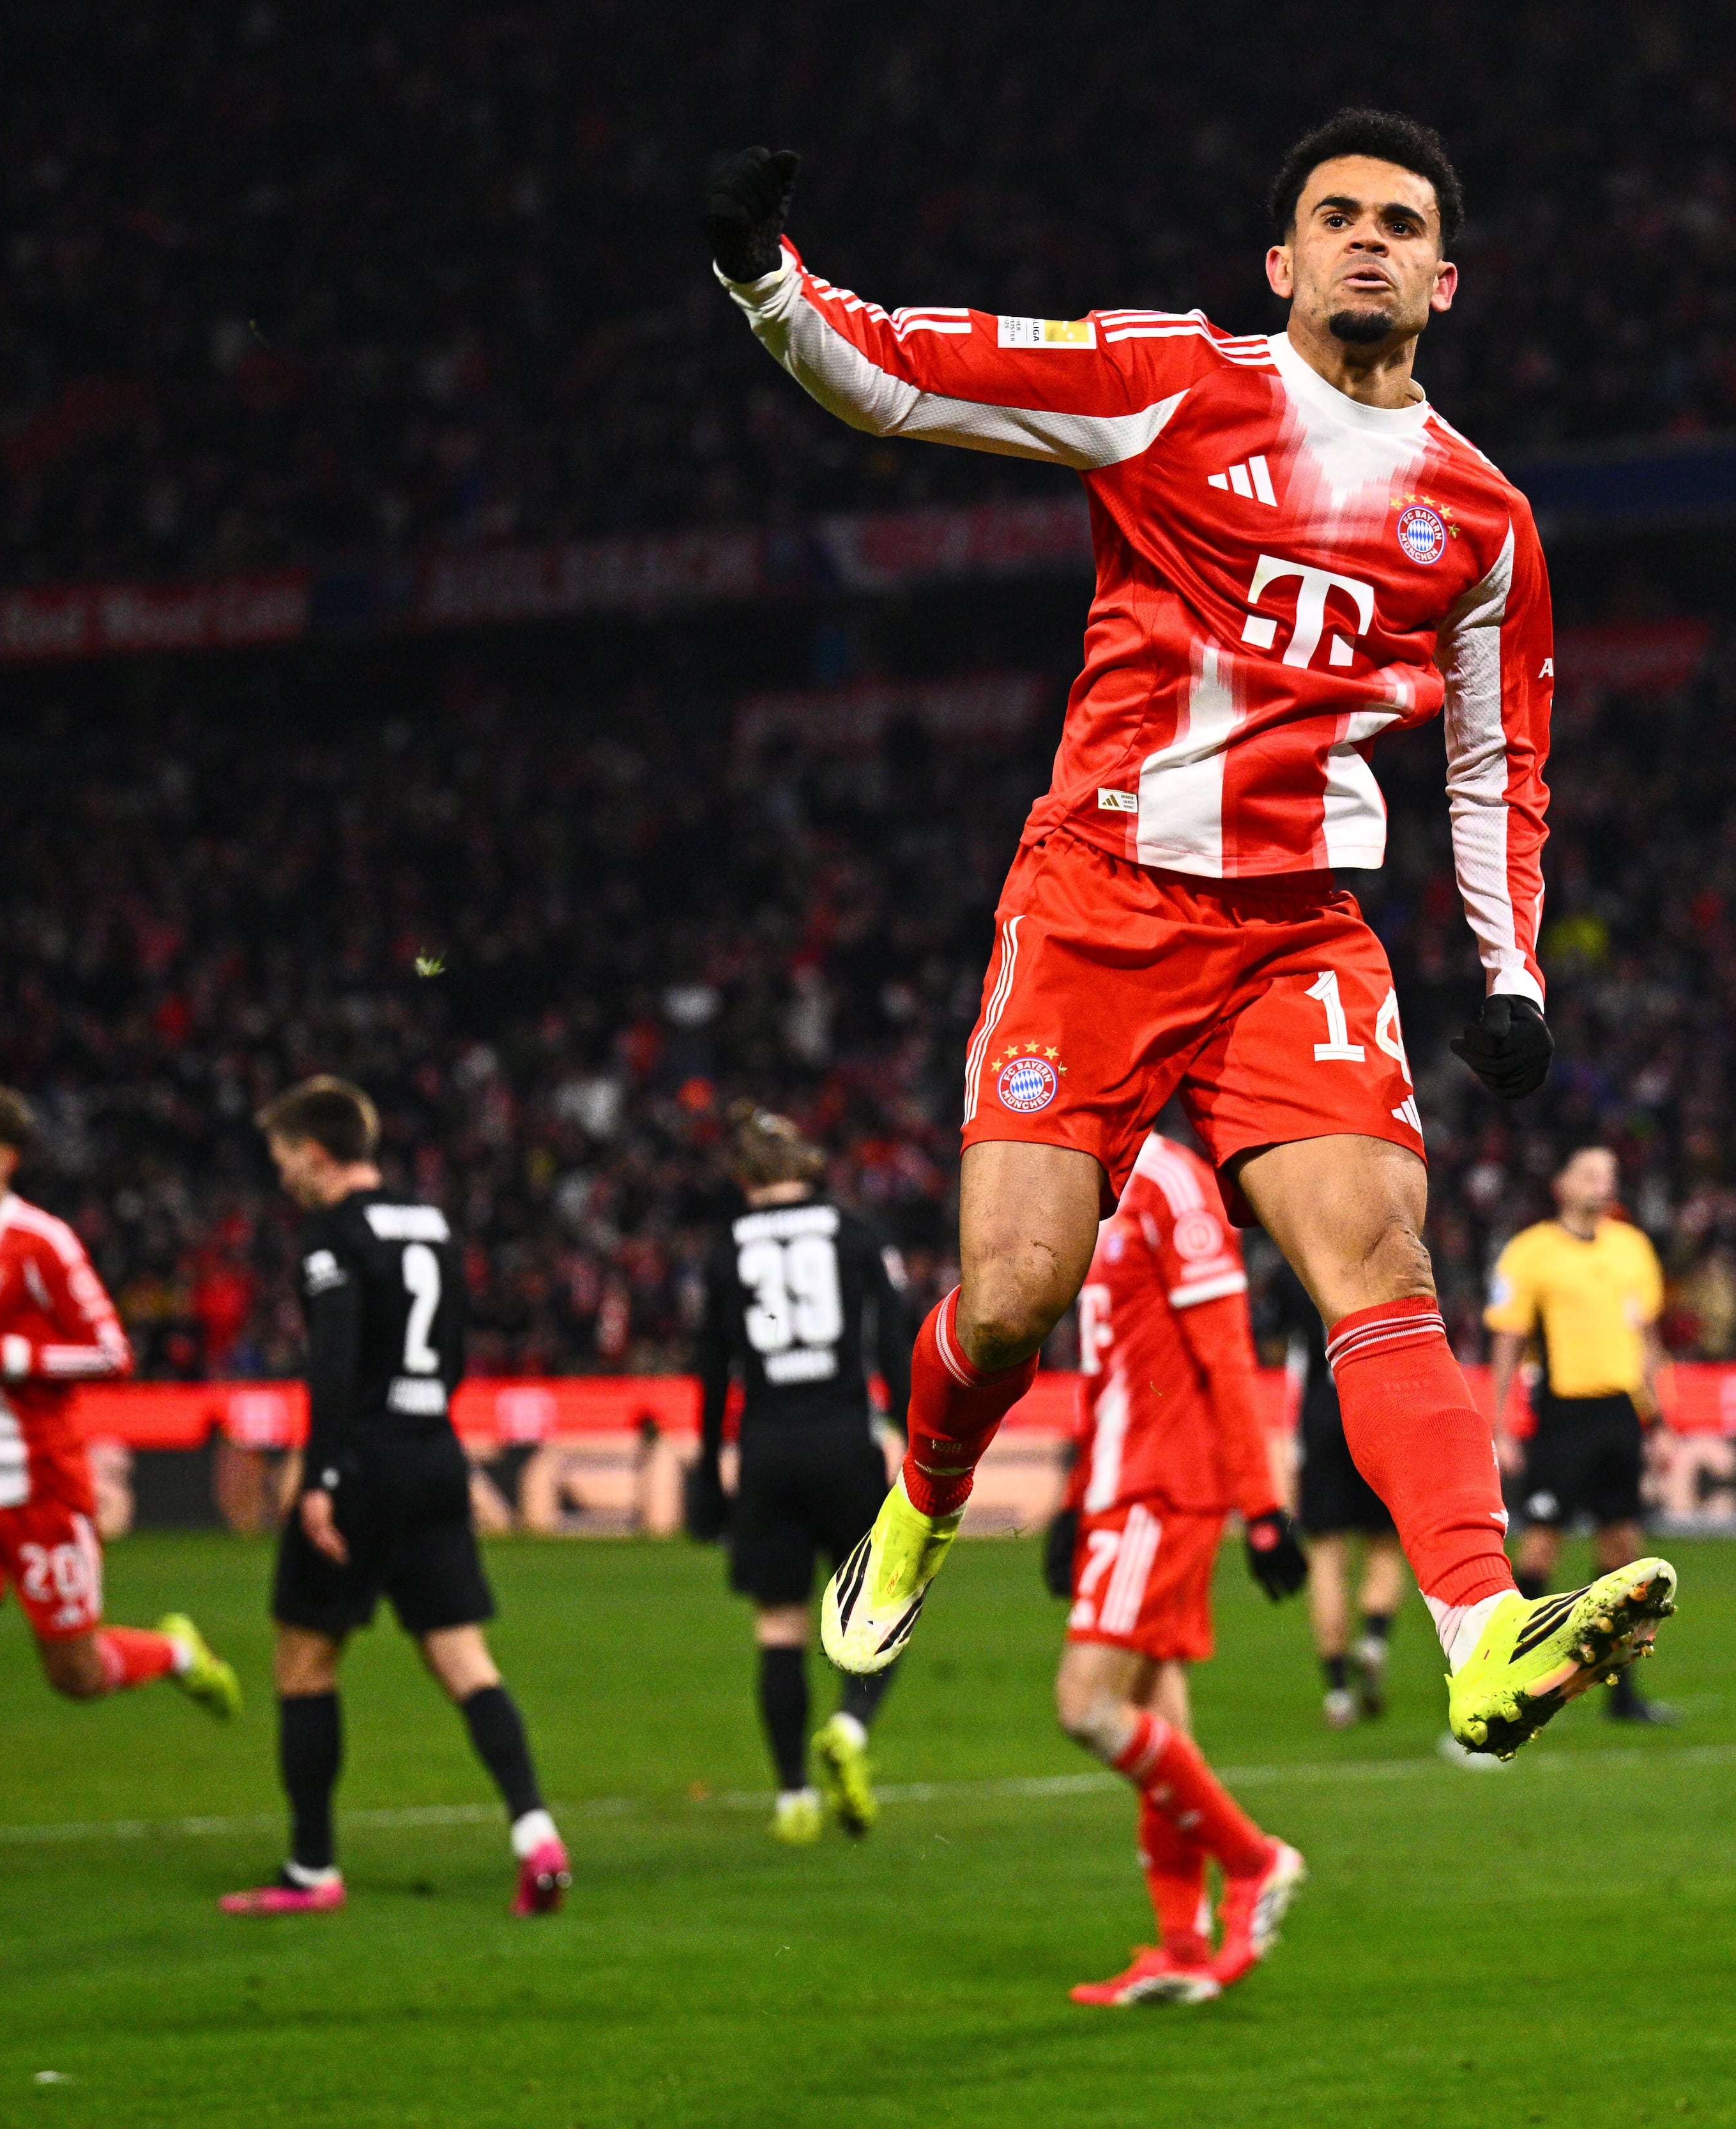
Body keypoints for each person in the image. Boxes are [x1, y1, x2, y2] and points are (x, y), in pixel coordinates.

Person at [706, 107, 1674, 1759]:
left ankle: (1485, 1626)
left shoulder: (1487, 517)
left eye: (1399, 222)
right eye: (1336, 215)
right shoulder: (1171, 381)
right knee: (1013, 1296)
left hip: (1298, 931)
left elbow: (1499, 761)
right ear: (1282, 262)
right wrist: (762, 280)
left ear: (1446, 280)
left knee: (1379, 1261)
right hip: (1096, 899)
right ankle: (924, 1499)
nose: (1367, 238)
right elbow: (900, 374)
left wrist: (1509, 969)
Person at [0, 1080, 241, 1909]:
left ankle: (177, 1652)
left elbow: (112, 1351)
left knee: (73, 1673)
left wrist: (11, 1356)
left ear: (6, 1159)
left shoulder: (43, 1243)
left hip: (40, 1484)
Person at [222, 1076, 570, 1918]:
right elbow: (450, 1355)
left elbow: (333, 1367)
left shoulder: (329, 1236)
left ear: (315, 1150)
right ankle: (535, 1833)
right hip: (434, 1451)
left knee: (304, 1660)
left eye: (283, 1159)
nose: (282, 1179)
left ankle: (312, 1869)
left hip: (362, 1460)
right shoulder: (434, 1223)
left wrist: (323, 1479)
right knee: (463, 1658)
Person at [1041, 1133, 1311, 2004]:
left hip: (1161, 1486)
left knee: (1086, 1705)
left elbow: (1225, 1352)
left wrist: (1262, 1508)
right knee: (1162, 1724)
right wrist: (1074, 1496)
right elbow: (1109, 1367)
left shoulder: (1173, 1184)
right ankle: (1184, 1949)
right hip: (1119, 1484)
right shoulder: (1088, 1184)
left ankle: (1255, 1858)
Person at [687, 1104, 912, 1844]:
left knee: (777, 1626)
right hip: (845, 1440)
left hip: (767, 1447)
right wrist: (913, 1435)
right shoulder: (856, 1233)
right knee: (880, 1610)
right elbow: (893, 1344)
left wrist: (709, 1469)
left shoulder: (725, 1249)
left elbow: (713, 1371)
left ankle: (791, 1800)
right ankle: (848, 1728)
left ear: (743, 1175)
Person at [1486, 1145, 1677, 1724]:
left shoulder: (1633, 1247)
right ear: (1561, 1183)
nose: (1603, 1182)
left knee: (1623, 1557)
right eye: (1589, 1171)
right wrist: (1500, 1423)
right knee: (1541, 1543)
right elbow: (1508, 1340)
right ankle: (1504, 1677)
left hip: (1621, 1413)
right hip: (1562, 1414)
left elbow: (1647, 1339)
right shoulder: (1530, 1252)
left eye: (1610, 1174)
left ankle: (1620, 1693)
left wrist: (1663, 1421)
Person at [1272, 1272, 1404, 1727]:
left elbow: (1285, 1354)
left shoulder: (1299, 1264)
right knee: (1385, 1546)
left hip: (1322, 1412)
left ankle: (1338, 1694)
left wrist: (1292, 1453)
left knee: (1327, 1557)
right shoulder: (1383, 1253)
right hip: (1376, 1405)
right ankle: (1372, 1640)